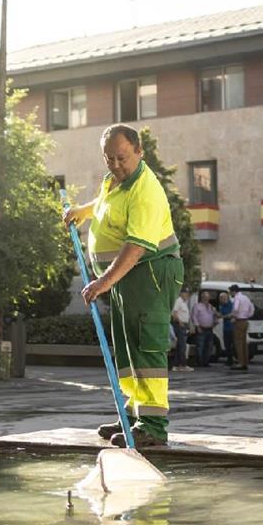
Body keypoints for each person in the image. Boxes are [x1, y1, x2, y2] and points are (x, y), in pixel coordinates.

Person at [64, 123, 181, 448]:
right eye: (109, 158)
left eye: (122, 158)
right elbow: (104, 205)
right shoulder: (115, 181)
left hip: (149, 273)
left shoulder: (145, 190)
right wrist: (82, 212)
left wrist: (102, 282)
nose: (116, 165)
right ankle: (131, 414)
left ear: (139, 152)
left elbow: (135, 248)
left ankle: (153, 426)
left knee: (145, 347)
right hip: (126, 279)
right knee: (127, 348)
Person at [228, 284, 254, 371]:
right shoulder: (246, 298)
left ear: (234, 291)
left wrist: (233, 316)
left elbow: (235, 309)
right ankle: (245, 362)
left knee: (238, 343)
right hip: (245, 321)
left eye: (231, 292)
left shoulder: (237, 298)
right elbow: (252, 309)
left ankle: (240, 362)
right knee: (244, 343)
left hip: (239, 321)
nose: (230, 294)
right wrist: (247, 315)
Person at [192, 291, 217, 367]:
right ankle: (199, 362)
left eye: (208, 297)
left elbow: (214, 316)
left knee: (209, 346)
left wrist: (215, 322)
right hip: (201, 328)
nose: (207, 299)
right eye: (205, 297)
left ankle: (206, 362)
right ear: (202, 297)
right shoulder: (197, 306)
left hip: (210, 329)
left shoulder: (211, 307)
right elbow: (194, 317)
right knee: (200, 346)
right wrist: (197, 326)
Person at [171, 288, 193, 372]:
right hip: (180, 325)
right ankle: (182, 364)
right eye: (186, 293)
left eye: (188, 293)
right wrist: (180, 322)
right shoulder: (179, 301)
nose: (187, 295)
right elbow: (174, 313)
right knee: (182, 345)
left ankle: (177, 365)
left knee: (181, 346)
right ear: (181, 293)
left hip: (184, 325)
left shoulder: (184, 302)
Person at [217, 291, 234, 366]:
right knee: (227, 345)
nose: (220, 300)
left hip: (232, 328)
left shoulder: (232, 305)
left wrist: (224, 316)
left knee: (233, 345)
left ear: (225, 298)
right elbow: (220, 315)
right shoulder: (222, 306)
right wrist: (215, 312)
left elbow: (232, 314)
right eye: (220, 298)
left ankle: (233, 359)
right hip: (226, 328)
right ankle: (229, 360)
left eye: (221, 298)